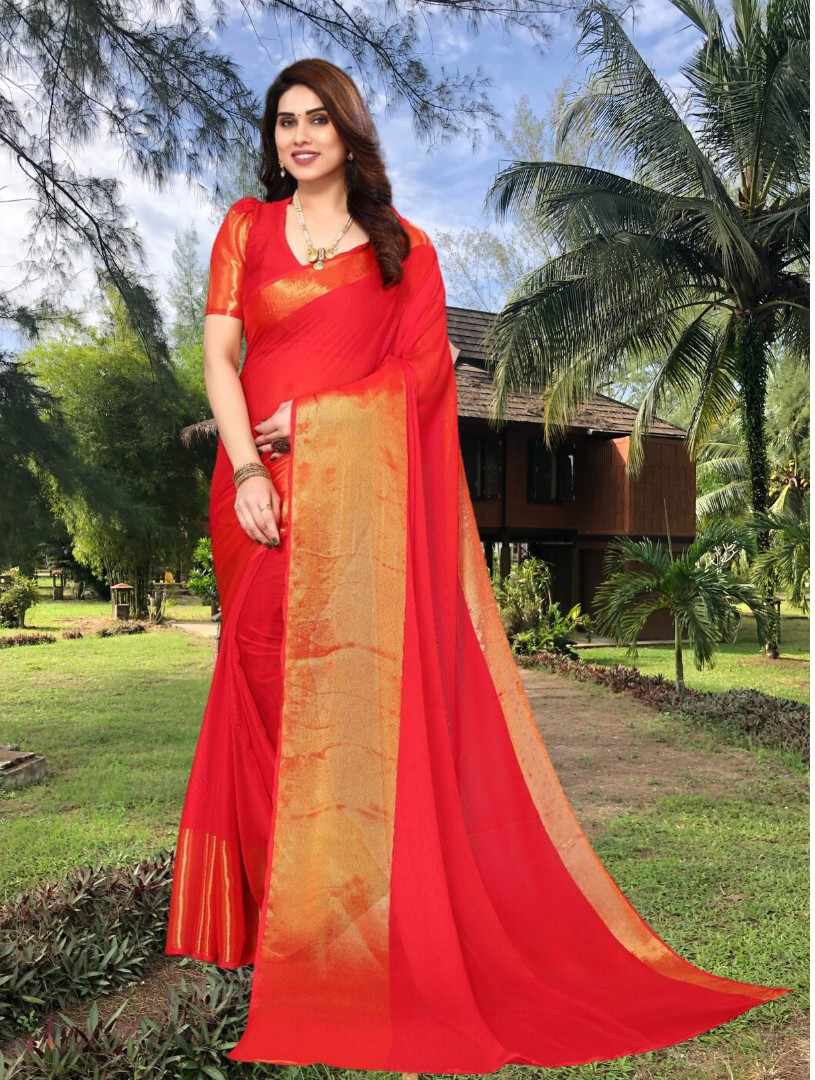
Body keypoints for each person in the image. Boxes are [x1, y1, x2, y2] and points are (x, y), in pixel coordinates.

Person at [164, 56, 791, 1072]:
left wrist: (315, 421)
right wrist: (243, 470)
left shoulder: (404, 250)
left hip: (353, 504)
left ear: (349, 132)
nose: (300, 136)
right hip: (257, 498)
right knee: (259, 685)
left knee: (350, 706)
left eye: (318, 119)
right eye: (285, 121)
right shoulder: (245, 227)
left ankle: (343, 926)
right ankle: (270, 924)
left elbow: (421, 380)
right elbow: (219, 360)